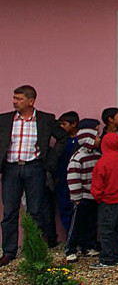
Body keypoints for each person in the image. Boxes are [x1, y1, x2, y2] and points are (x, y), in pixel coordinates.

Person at [0, 85, 68, 266]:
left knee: (36, 211)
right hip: (11, 168)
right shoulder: (5, 120)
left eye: (19, 99)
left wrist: (50, 162)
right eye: (14, 98)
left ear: (31, 101)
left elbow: (63, 137)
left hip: (35, 167)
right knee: (9, 211)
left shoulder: (45, 119)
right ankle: (8, 251)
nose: (15, 102)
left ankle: (35, 249)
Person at [90, 133, 118, 268]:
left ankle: (107, 259)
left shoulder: (103, 162)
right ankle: (116, 255)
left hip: (108, 200)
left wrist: (98, 197)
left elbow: (97, 185)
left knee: (106, 230)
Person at [64, 125, 101, 263]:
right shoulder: (77, 158)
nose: (99, 139)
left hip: (93, 196)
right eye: (96, 136)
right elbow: (73, 179)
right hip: (82, 197)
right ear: (89, 140)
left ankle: (88, 246)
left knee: (91, 223)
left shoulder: (97, 156)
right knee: (76, 224)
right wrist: (76, 197)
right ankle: (70, 249)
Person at [56, 111, 81, 233]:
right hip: (63, 179)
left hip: (78, 179)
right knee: (64, 207)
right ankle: (69, 235)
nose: (61, 127)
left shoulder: (81, 141)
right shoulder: (62, 141)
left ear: (74, 124)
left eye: (64, 124)